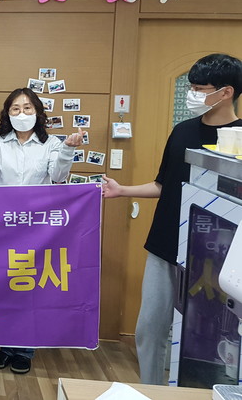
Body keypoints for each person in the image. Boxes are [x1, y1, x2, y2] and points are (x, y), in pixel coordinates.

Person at [102, 53, 242, 385]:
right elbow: (163, 184)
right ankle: (152, 389)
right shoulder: (182, 131)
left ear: (226, 92)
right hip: (166, 245)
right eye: (190, 87)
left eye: (199, 89)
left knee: (211, 334)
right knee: (149, 329)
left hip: (219, 256)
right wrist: (122, 191)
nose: (191, 94)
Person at [0, 87, 84, 374]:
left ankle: (24, 350)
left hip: (38, 230)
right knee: (3, 287)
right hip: (2, 227)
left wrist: (68, 149)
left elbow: (58, 176)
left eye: (27, 108)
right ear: (7, 114)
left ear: (37, 112)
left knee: (30, 289)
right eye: (15, 109)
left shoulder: (52, 144)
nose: (21, 113)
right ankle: (4, 345)